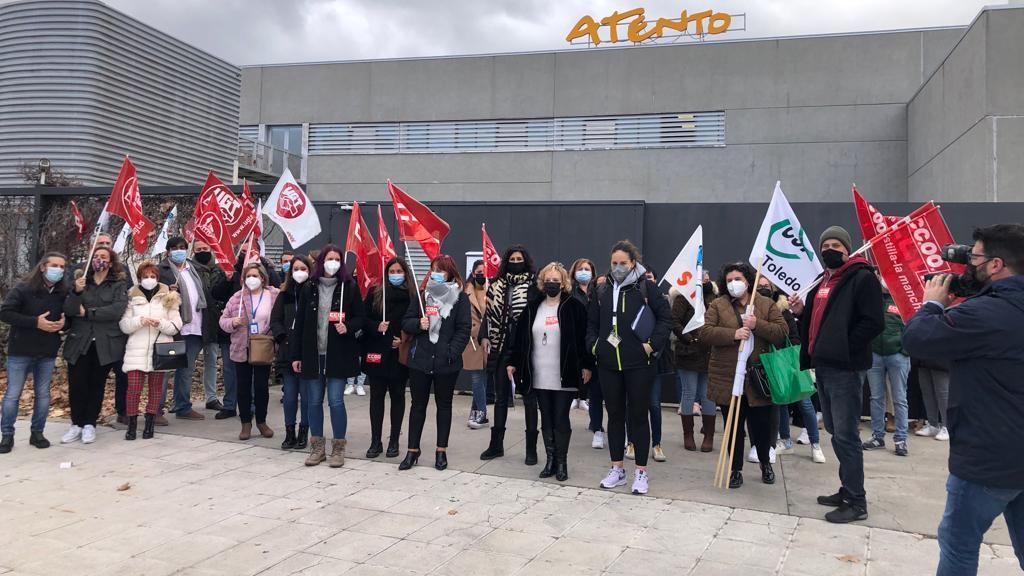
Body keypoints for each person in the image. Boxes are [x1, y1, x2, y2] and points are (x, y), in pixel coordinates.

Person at [902, 224, 1024, 575]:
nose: (969, 265)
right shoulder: (991, 308)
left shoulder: (987, 313)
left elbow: (919, 339)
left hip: (989, 457)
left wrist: (931, 306)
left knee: (958, 543)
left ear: (997, 265)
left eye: (974, 258)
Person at [789, 226, 884, 524]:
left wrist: (843, 349)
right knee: (834, 431)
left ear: (848, 249)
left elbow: (873, 323)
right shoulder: (823, 281)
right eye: (825, 244)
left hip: (845, 368)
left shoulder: (862, 278)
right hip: (825, 366)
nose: (830, 249)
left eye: (836, 244)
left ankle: (856, 501)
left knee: (846, 435)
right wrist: (802, 312)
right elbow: (824, 323)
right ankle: (846, 489)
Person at [587, 240, 672, 495]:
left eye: (623, 263)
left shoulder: (647, 287)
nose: (618, 267)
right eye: (614, 263)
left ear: (633, 262)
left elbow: (666, 319)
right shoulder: (601, 289)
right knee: (614, 417)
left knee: (638, 417)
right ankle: (617, 469)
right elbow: (590, 323)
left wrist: (650, 346)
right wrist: (595, 347)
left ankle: (641, 472)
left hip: (638, 364)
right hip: (608, 363)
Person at [700, 263, 789, 488]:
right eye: (729, 280)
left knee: (761, 427)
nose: (733, 284)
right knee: (733, 428)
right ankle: (735, 469)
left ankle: (765, 464)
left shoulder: (765, 304)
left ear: (748, 281)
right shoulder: (718, 305)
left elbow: (781, 332)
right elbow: (706, 332)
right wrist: (734, 333)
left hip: (759, 378)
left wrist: (757, 324)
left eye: (737, 279)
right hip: (729, 377)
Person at [506, 262, 593, 481]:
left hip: (564, 372)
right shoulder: (533, 307)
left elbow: (584, 339)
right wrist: (513, 361)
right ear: (542, 282)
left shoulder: (574, 307)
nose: (552, 283)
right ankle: (550, 460)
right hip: (539, 372)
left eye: (556, 280)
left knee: (561, 416)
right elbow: (521, 338)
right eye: (548, 280)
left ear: (563, 282)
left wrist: (586, 365)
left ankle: (562, 462)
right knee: (545, 416)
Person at [291, 245, 364, 468]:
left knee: (335, 401)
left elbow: (361, 317)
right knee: (313, 401)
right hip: (313, 353)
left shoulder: (349, 287)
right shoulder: (308, 288)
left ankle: (338, 448)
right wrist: (296, 355)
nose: (333, 262)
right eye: (329, 259)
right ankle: (317, 447)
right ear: (321, 262)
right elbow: (299, 323)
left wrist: (349, 327)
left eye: (337, 259)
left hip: (338, 353)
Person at [399, 255, 471, 471]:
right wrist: (417, 324)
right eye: (433, 269)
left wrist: (451, 351)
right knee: (417, 406)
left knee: (444, 406)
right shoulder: (422, 296)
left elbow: (464, 328)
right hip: (420, 360)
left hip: (446, 362)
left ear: (450, 273)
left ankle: (441, 451)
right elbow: (406, 321)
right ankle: (412, 450)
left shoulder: (460, 298)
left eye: (440, 270)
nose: (436, 273)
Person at [0, 252, 68, 453]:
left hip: (47, 351)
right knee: (13, 395)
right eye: (54, 265)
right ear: (43, 267)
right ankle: (7, 435)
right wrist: (35, 322)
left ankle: (37, 432)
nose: (59, 270)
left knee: (43, 395)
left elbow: (69, 315)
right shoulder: (24, 288)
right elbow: (5, 312)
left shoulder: (62, 292)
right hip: (21, 350)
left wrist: (65, 324)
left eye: (62, 267)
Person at [61, 246, 129, 444]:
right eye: (97, 256)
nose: (100, 259)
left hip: (104, 343)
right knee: (77, 384)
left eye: (104, 257)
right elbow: (70, 309)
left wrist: (89, 313)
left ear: (111, 261)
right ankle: (76, 424)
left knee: (96, 384)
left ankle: (90, 423)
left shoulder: (117, 284)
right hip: (79, 341)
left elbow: (116, 311)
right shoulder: (82, 282)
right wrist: (76, 292)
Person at [480, 245, 541, 464]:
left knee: (529, 398)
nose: (516, 262)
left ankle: (531, 450)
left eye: (519, 258)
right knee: (500, 398)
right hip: (500, 345)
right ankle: (496, 445)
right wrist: (484, 335)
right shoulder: (496, 285)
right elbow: (488, 314)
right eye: (512, 259)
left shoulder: (535, 285)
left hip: (525, 348)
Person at [760, 278, 826, 464]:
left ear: (773, 288)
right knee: (781, 403)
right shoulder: (756, 310)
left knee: (805, 404)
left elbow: (795, 338)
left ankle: (815, 444)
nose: (763, 288)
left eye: (766, 285)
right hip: (772, 364)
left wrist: (785, 354)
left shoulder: (783, 310)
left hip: (790, 364)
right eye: (760, 286)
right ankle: (786, 441)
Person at [118, 261, 182, 441]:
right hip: (135, 351)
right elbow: (124, 325)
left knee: (155, 390)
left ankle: (150, 424)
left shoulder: (169, 297)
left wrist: (160, 323)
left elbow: (176, 326)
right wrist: (140, 321)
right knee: (133, 389)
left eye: (152, 276)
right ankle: (131, 426)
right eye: (145, 277)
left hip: (159, 351)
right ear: (139, 278)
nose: (149, 279)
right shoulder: (131, 297)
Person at [157, 236, 218, 421]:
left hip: (195, 327)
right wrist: (166, 291)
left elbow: (203, 294)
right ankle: (156, 410)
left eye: (182, 247)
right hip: (174, 329)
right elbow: (153, 296)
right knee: (165, 370)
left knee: (187, 369)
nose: (179, 251)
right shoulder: (162, 270)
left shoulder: (194, 269)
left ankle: (182, 406)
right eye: (175, 248)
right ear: (168, 252)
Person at [362, 257, 415, 458]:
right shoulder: (376, 293)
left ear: (405, 273)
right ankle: (375, 441)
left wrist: (402, 340)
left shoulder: (412, 296)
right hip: (377, 352)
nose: (395, 275)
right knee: (376, 397)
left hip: (399, 354)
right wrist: (376, 327)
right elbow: (363, 319)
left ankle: (394, 440)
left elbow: (416, 322)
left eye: (398, 271)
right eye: (391, 272)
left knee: (398, 397)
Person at [220, 262, 279, 440]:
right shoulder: (237, 297)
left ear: (262, 277)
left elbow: (279, 317)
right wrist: (232, 323)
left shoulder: (273, 295)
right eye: (248, 276)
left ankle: (261, 421)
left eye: (255, 275)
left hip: (263, 346)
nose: (251, 279)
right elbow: (223, 321)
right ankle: (246, 423)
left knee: (262, 387)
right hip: (241, 348)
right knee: (243, 387)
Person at [862, 271, 911, 457]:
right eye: (879, 274)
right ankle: (877, 437)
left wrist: (904, 350)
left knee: (899, 398)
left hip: (898, 356)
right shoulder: (871, 299)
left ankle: (901, 439)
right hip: (875, 354)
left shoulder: (902, 299)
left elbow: (913, 325)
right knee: (875, 398)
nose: (882, 278)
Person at [271, 254, 312, 450]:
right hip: (287, 352)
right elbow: (275, 320)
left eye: (303, 269)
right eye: (295, 269)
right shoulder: (284, 294)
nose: (299, 273)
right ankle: (289, 432)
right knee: (289, 396)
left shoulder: (314, 292)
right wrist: (283, 338)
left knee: (306, 396)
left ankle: (304, 431)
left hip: (307, 352)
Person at [672, 272, 715, 453]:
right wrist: (689, 338)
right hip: (688, 353)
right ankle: (688, 435)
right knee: (689, 393)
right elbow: (674, 321)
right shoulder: (683, 298)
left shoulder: (714, 298)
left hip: (710, 353)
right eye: (700, 277)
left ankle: (708, 436)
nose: (703, 280)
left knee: (707, 395)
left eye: (706, 278)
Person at [191, 239, 232, 415]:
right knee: (187, 362)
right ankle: (181, 400)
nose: (202, 251)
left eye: (205, 248)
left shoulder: (220, 269)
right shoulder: (188, 270)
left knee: (211, 361)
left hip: (214, 321)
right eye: (198, 249)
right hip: (194, 321)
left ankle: (211, 397)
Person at [571, 257, 604, 449]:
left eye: (587, 269)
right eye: (580, 268)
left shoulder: (599, 291)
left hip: (597, 343)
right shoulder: (570, 292)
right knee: (593, 391)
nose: (584, 271)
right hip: (580, 346)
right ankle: (596, 428)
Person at [463, 260, 489, 429]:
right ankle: (482, 412)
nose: (482, 274)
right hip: (471, 340)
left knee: (483, 377)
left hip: (488, 339)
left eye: (484, 272)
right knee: (476, 376)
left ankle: (475, 410)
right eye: (479, 271)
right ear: (473, 273)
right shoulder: (465, 292)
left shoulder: (493, 290)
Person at [914, 358, 950, 441]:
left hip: (941, 357)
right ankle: (933, 425)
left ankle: (947, 426)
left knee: (942, 393)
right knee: (927, 391)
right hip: (923, 358)